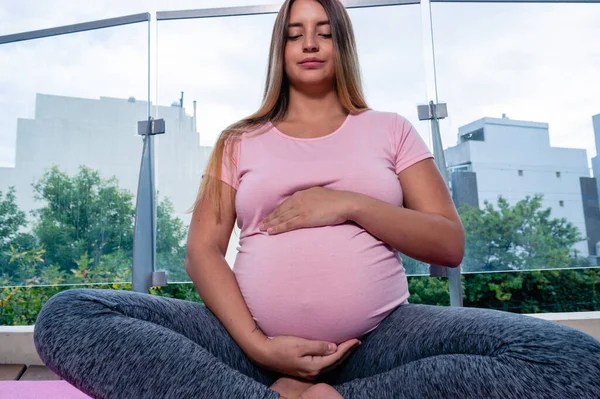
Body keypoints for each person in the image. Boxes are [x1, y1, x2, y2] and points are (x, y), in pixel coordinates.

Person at [34, 0, 600, 398]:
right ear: (279, 47)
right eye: (294, 31)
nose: (309, 42)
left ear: (342, 44)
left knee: (571, 361)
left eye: (324, 30)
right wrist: (258, 345)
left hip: (378, 342)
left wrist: (350, 204)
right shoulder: (239, 140)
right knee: (69, 314)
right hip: (247, 348)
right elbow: (202, 251)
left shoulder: (392, 129)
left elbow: (448, 243)